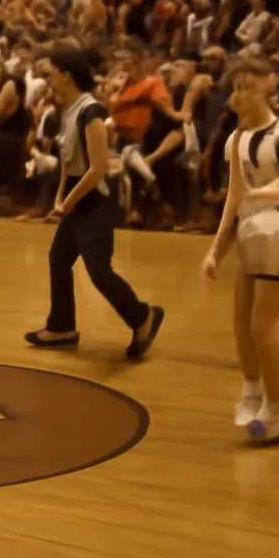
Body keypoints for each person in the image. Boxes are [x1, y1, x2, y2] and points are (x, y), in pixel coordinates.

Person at [200, 59, 279, 444]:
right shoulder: (236, 140)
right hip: (250, 230)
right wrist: (215, 249)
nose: (237, 95)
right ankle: (253, 391)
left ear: (268, 86)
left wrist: (261, 195)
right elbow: (234, 198)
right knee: (240, 326)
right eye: (235, 88)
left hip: (278, 232)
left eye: (246, 87)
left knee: (261, 328)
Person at [26, 48, 165, 358]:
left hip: (96, 198)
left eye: (51, 73)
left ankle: (143, 317)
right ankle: (61, 326)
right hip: (77, 195)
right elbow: (67, 160)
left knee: (99, 270)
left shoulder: (93, 112)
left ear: (66, 75)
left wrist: (69, 201)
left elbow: (98, 168)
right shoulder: (68, 109)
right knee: (59, 259)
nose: (48, 79)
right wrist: (60, 196)